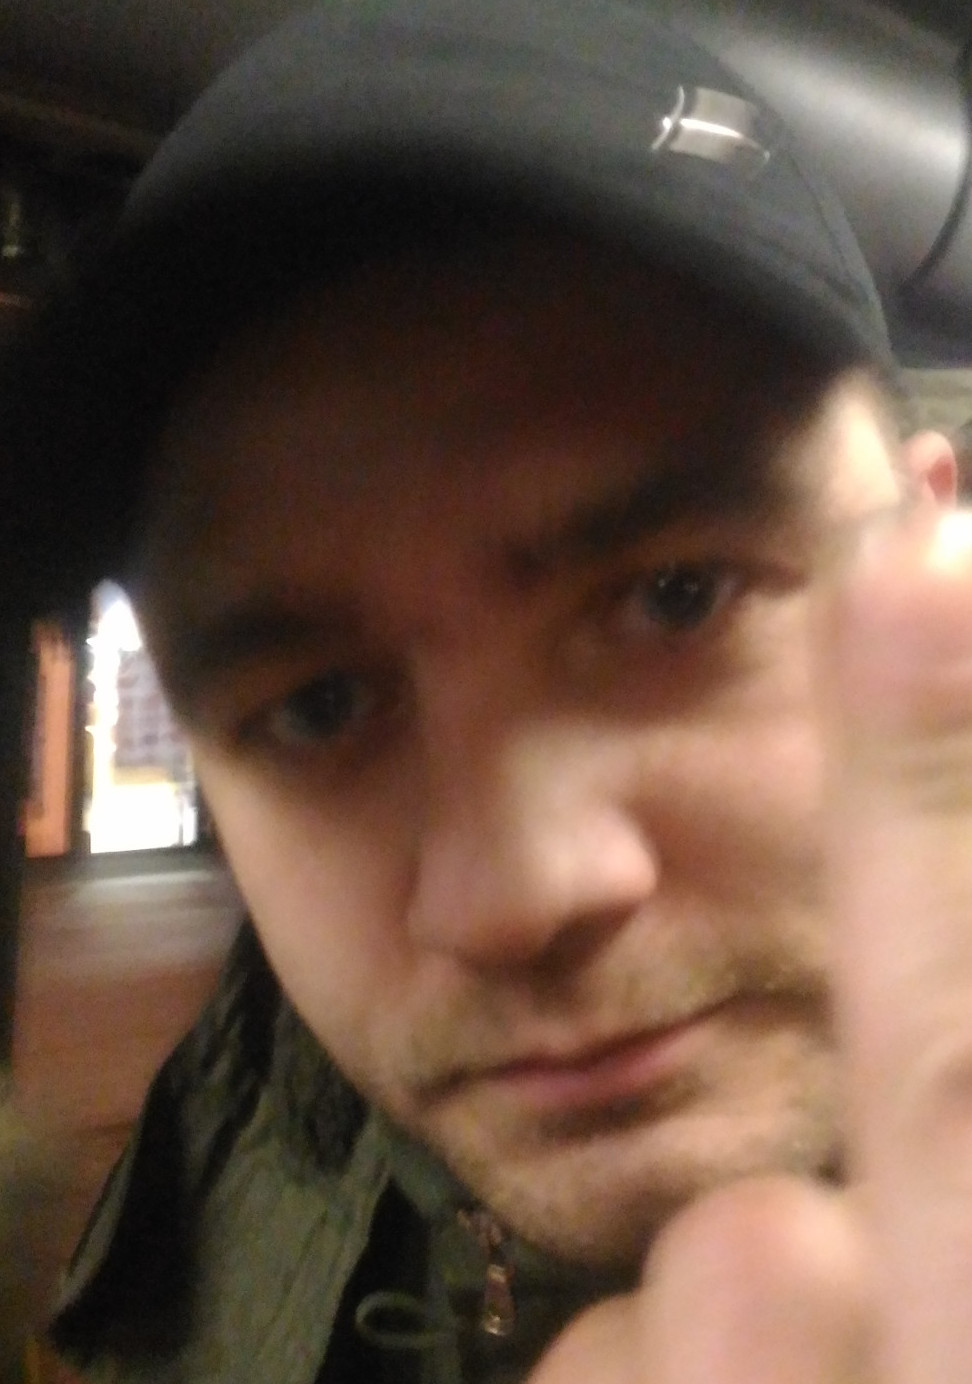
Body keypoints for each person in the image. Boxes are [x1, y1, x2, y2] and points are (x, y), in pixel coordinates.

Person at [4, 0, 972, 1380]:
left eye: (676, 596)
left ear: (933, 542)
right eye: (320, 706)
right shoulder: (233, 1129)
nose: (516, 893)